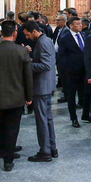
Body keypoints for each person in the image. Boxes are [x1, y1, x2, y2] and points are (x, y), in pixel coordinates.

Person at [0, 20, 33, 172]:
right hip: (16, 97)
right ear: (15, 33)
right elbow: (27, 77)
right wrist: (29, 97)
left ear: (1, 33)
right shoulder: (21, 51)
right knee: (12, 129)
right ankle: (8, 161)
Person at [22, 21, 58, 162]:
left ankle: (45, 151)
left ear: (35, 31)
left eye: (28, 34)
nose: (27, 38)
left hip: (42, 86)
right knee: (47, 118)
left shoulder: (42, 42)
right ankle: (51, 147)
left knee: (42, 120)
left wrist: (27, 64)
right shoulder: (45, 40)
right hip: (46, 85)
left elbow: (45, 65)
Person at [57, 16, 88, 128]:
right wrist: (67, 69)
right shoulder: (65, 38)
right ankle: (73, 118)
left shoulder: (84, 35)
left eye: (81, 23)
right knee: (71, 96)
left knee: (85, 93)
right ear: (71, 25)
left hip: (84, 71)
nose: (80, 25)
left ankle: (85, 115)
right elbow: (61, 57)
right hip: (71, 72)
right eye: (78, 24)